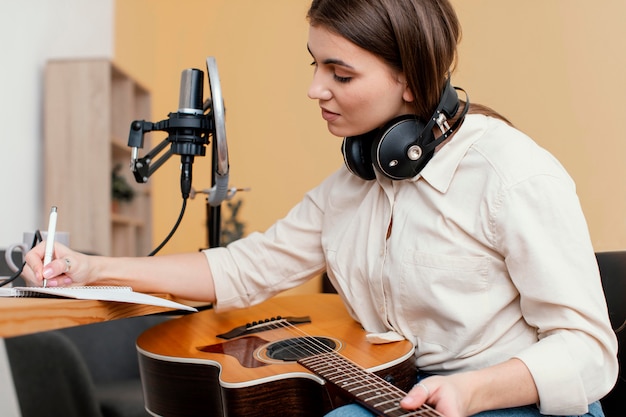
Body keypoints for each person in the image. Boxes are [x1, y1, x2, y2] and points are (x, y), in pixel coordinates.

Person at [24, 0, 617, 416]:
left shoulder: (514, 173)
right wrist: (92, 268)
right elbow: (238, 270)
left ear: (411, 80)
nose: (314, 88)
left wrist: (473, 392)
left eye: (340, 72)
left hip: (515, 403)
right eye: (314, 63)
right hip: (408, 393)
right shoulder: (347, 187)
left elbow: (590, 352)